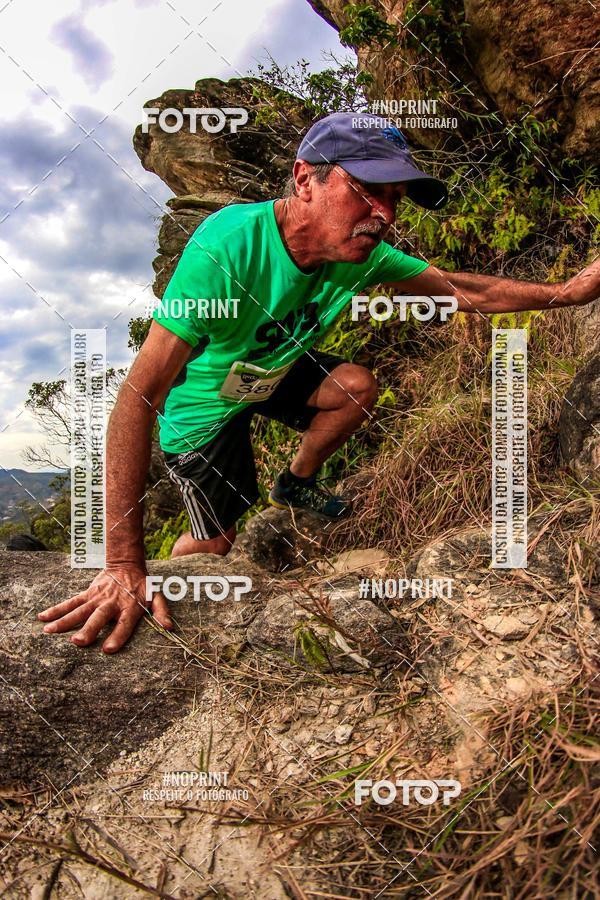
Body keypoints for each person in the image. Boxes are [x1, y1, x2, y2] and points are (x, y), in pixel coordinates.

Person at [38, 112, 600, 653]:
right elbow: (138, 396)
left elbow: (458, 290)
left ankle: (294, 485)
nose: (383, 213)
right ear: (305, 178)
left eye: (395, 198)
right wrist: (121, 563)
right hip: (204, 409)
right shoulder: (227, 248)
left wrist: (566, 293)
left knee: (354, 386)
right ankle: (166, 568)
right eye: (367, 190)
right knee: (215, 543)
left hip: (269, 373)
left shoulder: (362, 254)